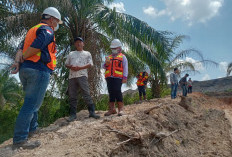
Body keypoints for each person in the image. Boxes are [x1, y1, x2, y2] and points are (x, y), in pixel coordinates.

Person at [10, 7, 63, 149]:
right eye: (56, 21)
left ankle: (33, 130)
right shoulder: (47, 29)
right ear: (51, 19)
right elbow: (39, 45)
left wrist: (17, 62)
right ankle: (20, 139)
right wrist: (24, 58)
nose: (56, 24)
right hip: (38, 70)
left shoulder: (32, 30)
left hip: (25, 70)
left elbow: (20, 49)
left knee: (31, 102)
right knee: (31, 105)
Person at [65, 37, 100, 122]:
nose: (78, 43)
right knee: (72, 95)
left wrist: (80, 68)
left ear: (83, 44)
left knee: (86, 93)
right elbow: (66, 64)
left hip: (82, 76)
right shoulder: (71, 53)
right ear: (75, 44)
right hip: (72, 76)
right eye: (76, 42)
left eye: (80, 42)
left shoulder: (87, 53)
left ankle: (92, 112)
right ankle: (73, 115)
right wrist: (71, 67)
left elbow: (90, 64)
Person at [104, 39, 128, 116]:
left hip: (118, 78)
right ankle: (112, 109)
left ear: (119, 48)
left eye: (115, 48)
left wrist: (125, 77)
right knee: (111, 92)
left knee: (117, 91)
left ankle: (121, 109)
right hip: (109, 77)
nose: (113, 50)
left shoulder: (123, 57)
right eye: (112, 48)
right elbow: (103, 66)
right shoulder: (109, 57)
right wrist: (106, 64)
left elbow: (125, 67)